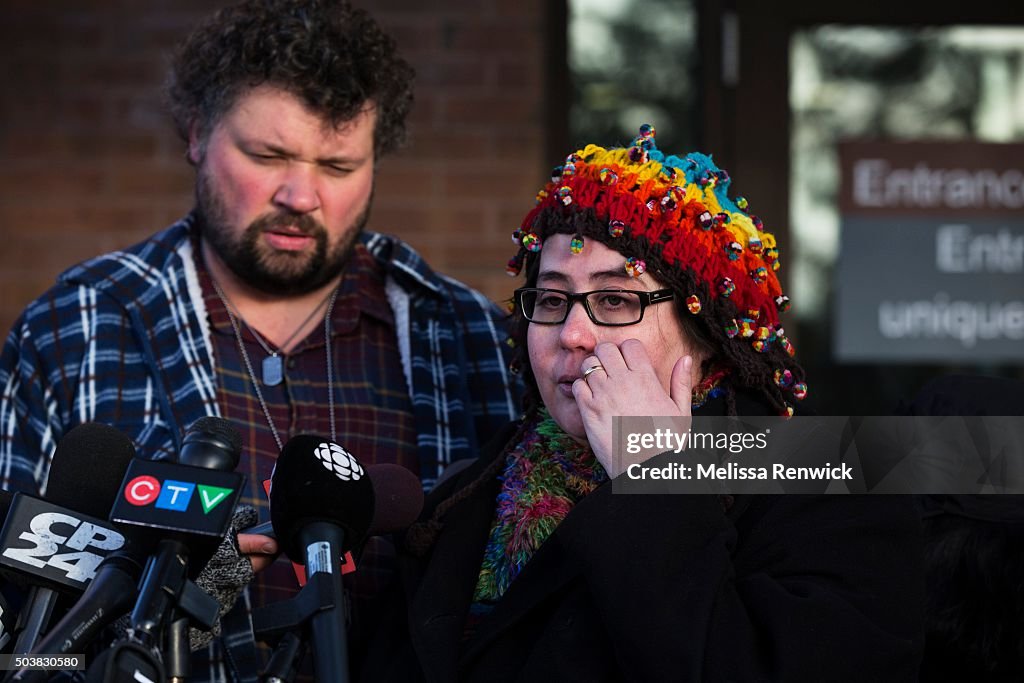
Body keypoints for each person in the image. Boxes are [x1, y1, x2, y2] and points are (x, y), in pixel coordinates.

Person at [0, 0, 518, 680]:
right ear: (195, 133)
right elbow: (15, 645)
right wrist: (176, 601)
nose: (301, 194)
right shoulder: (76, 327)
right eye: (267, 154)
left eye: (337, 166)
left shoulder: (468, 336)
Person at [360, 127, 926, 681]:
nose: (573, 334)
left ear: (705, 332)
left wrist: (654, 479)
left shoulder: (826, 488)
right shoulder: (469, 492)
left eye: (613, 299)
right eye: (552, 299)